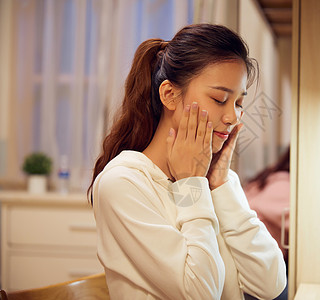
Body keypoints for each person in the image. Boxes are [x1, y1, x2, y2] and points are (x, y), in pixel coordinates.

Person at [88, 24, 287, 300]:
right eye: (220, 99)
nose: (234, 117)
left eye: (239, 103)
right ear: (169, 94)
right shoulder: (122, 183)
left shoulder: (212, 180)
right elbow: (200, 294)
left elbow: (272, 283)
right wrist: (191, 183)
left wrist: (220, 185)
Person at [245, 147, 290, 262]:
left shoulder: (270, 178)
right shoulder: (282, 185)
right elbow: (301, 227)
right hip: (255, 255)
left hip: (247, 250)